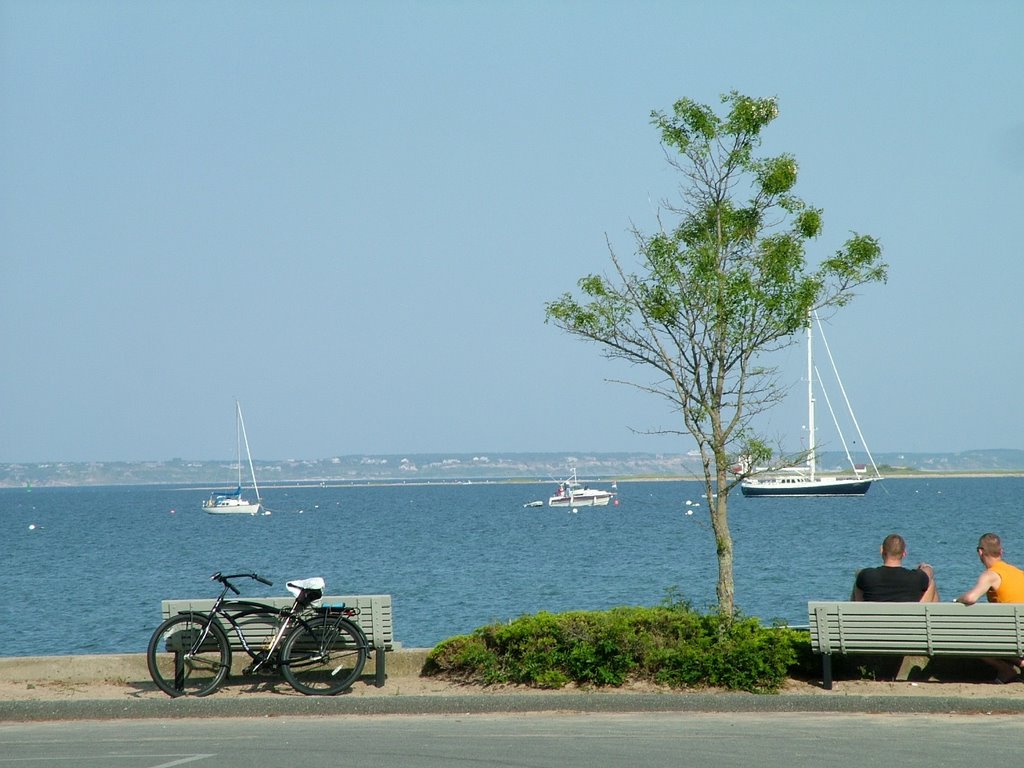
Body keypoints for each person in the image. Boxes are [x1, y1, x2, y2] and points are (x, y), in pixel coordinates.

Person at [953, 532, 1024, 683]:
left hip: (1011, 635)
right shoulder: (1019, 573)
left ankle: (1005, 670)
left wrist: (959, 599)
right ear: (1001, 552)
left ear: (980, 552)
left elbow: (971, 598)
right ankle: (1020, 662)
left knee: (970, 636)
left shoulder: (991, 574)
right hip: (1020, 633)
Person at [852, 533, 939, 602]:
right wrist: (925, 567)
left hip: (873, 623)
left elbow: (859, 573)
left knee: (858, 583)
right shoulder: (917, 578)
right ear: (904, 553)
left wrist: (859, 574)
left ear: (881, 550)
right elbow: (929, 572)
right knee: (930, 582)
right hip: (910, 622)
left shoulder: (867, 576)